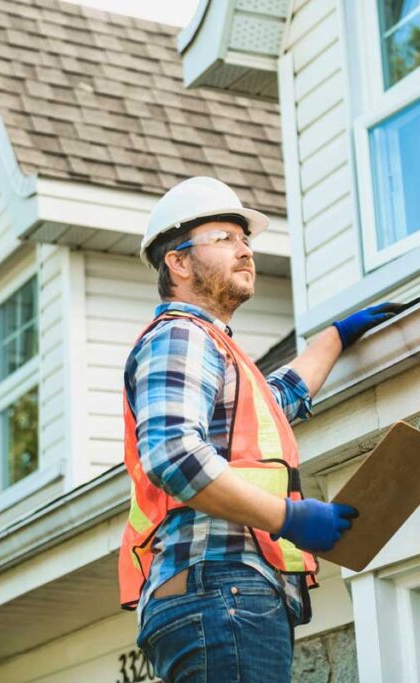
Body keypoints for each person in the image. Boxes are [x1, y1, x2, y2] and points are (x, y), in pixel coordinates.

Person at [118, 176, 404, 682]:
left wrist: (335, 338)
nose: (245, 251)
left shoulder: (218, 350)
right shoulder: (181, 335)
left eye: (245, 239)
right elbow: (174, 456)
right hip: (220, 590)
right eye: (224, 238)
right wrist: (290, 518)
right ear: (178, 263)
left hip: (224, 596)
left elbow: (279, 400)